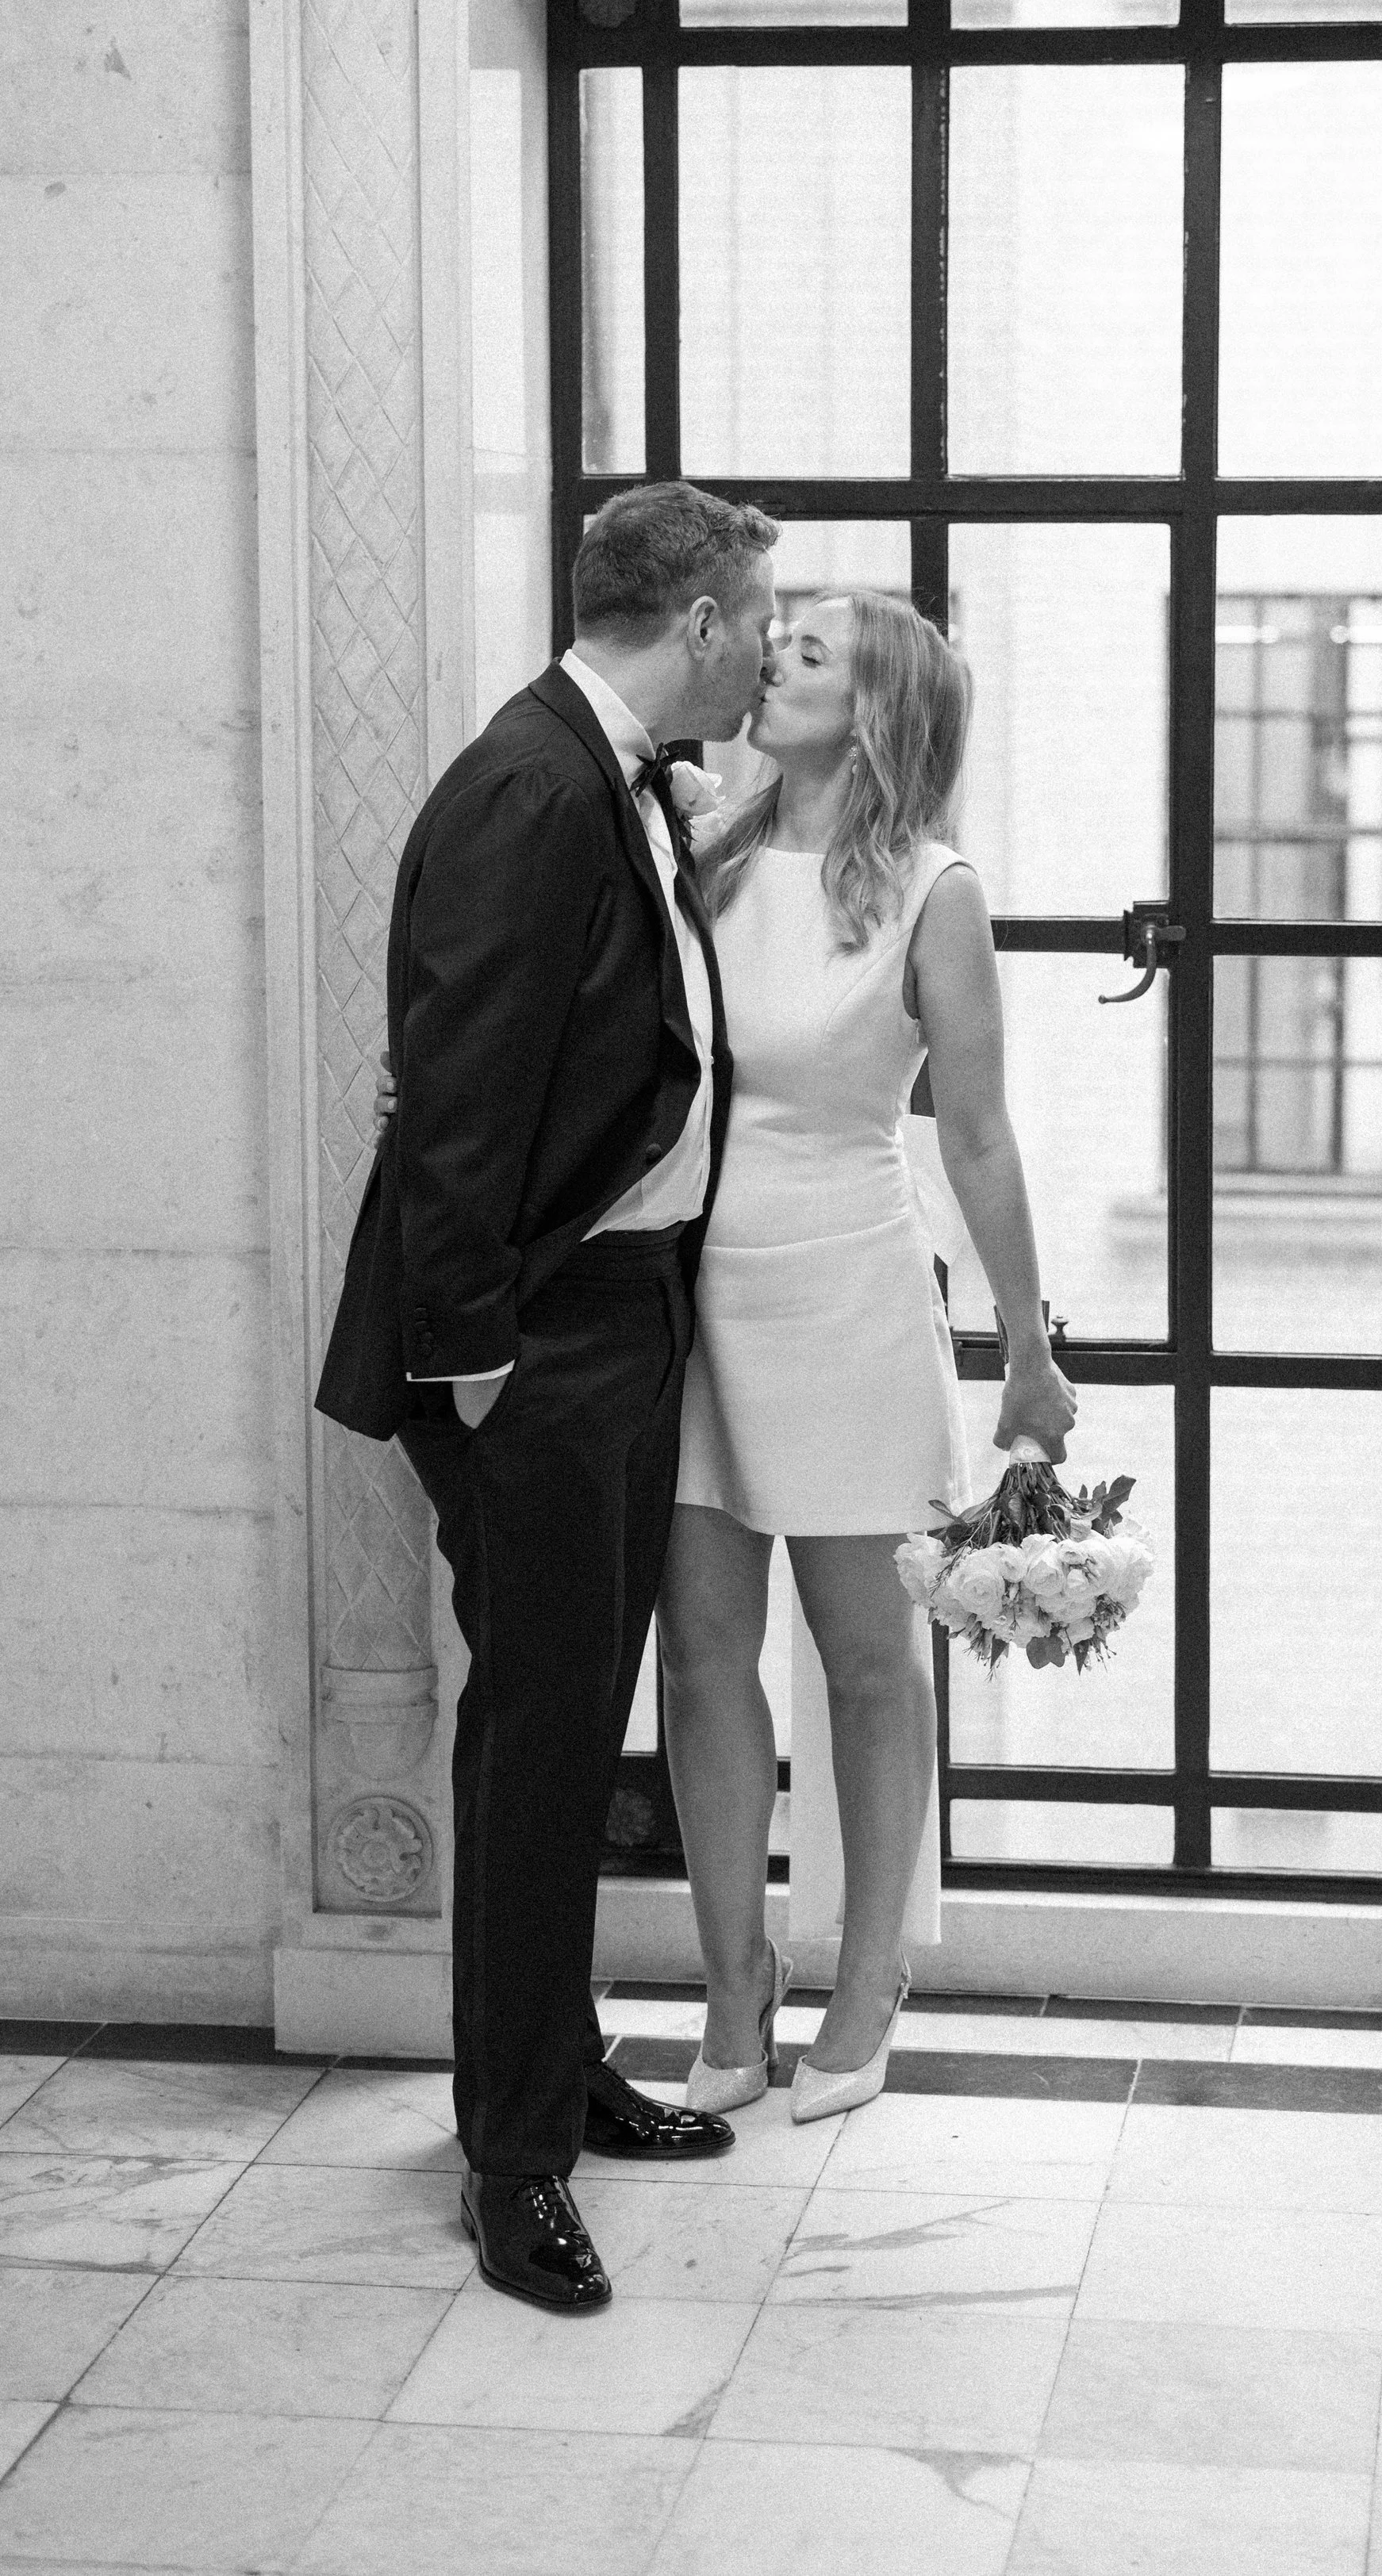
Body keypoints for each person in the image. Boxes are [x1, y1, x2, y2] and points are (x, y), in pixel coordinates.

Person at [317, 481, 777, 2313]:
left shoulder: (610, 770)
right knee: (534, 1748)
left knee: (576, 1728)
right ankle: (512, 2164)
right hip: (537, 1341)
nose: (765, 641)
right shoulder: (527, 787)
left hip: (620, 1314)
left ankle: (551, 2070)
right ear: (688, 622)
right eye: (755, 612)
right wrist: (477, 1356)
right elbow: (457, 1088)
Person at [662, 588, 1077, 2123]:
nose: (770, 658)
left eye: (811, 653)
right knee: (699, 1653)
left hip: (845, 1286)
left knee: (865, 1662)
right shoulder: (697, 844)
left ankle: (868, 1984)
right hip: (687, 1289)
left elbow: (973, 1131)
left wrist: (1025, 1343)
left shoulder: (931, 889)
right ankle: (730, 1989)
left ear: (882, 708)